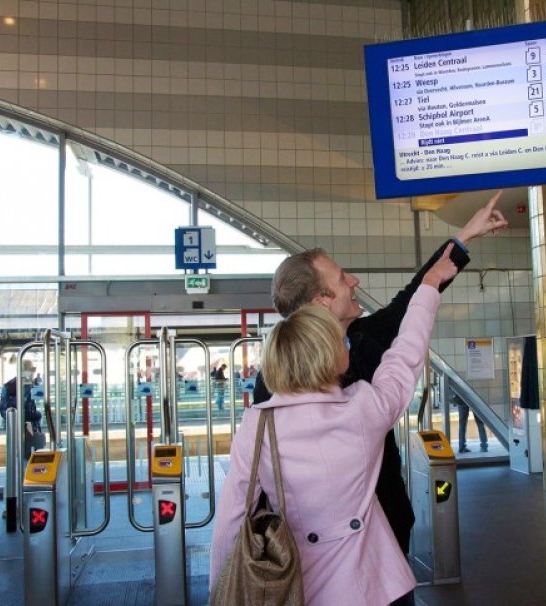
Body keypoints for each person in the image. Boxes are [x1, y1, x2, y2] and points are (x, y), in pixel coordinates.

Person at [251, 190, 507, 603]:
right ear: (321, 302)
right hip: (313, 564)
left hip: (386, 540)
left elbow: (414, 299)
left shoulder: (362, 337)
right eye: (342, 278)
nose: (355, 281)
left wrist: (464, 237)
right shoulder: (276, 386)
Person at [210, 242, 459, 605]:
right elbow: (405, 353)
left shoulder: (257, 426)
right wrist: (429, 285)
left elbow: (231, 521)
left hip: (297, 585)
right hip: (380, 583)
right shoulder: (363, 407)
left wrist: (221, 592)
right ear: (330, 355)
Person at [0, 359, 45, 459]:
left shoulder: (8, 386)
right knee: (30, 458)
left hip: (12, 428)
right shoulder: (26, 386)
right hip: (28, 429)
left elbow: (3, 411)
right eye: (30, 370)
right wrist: (38, 415)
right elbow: (28, 410)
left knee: (16, 458)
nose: (32, 373)